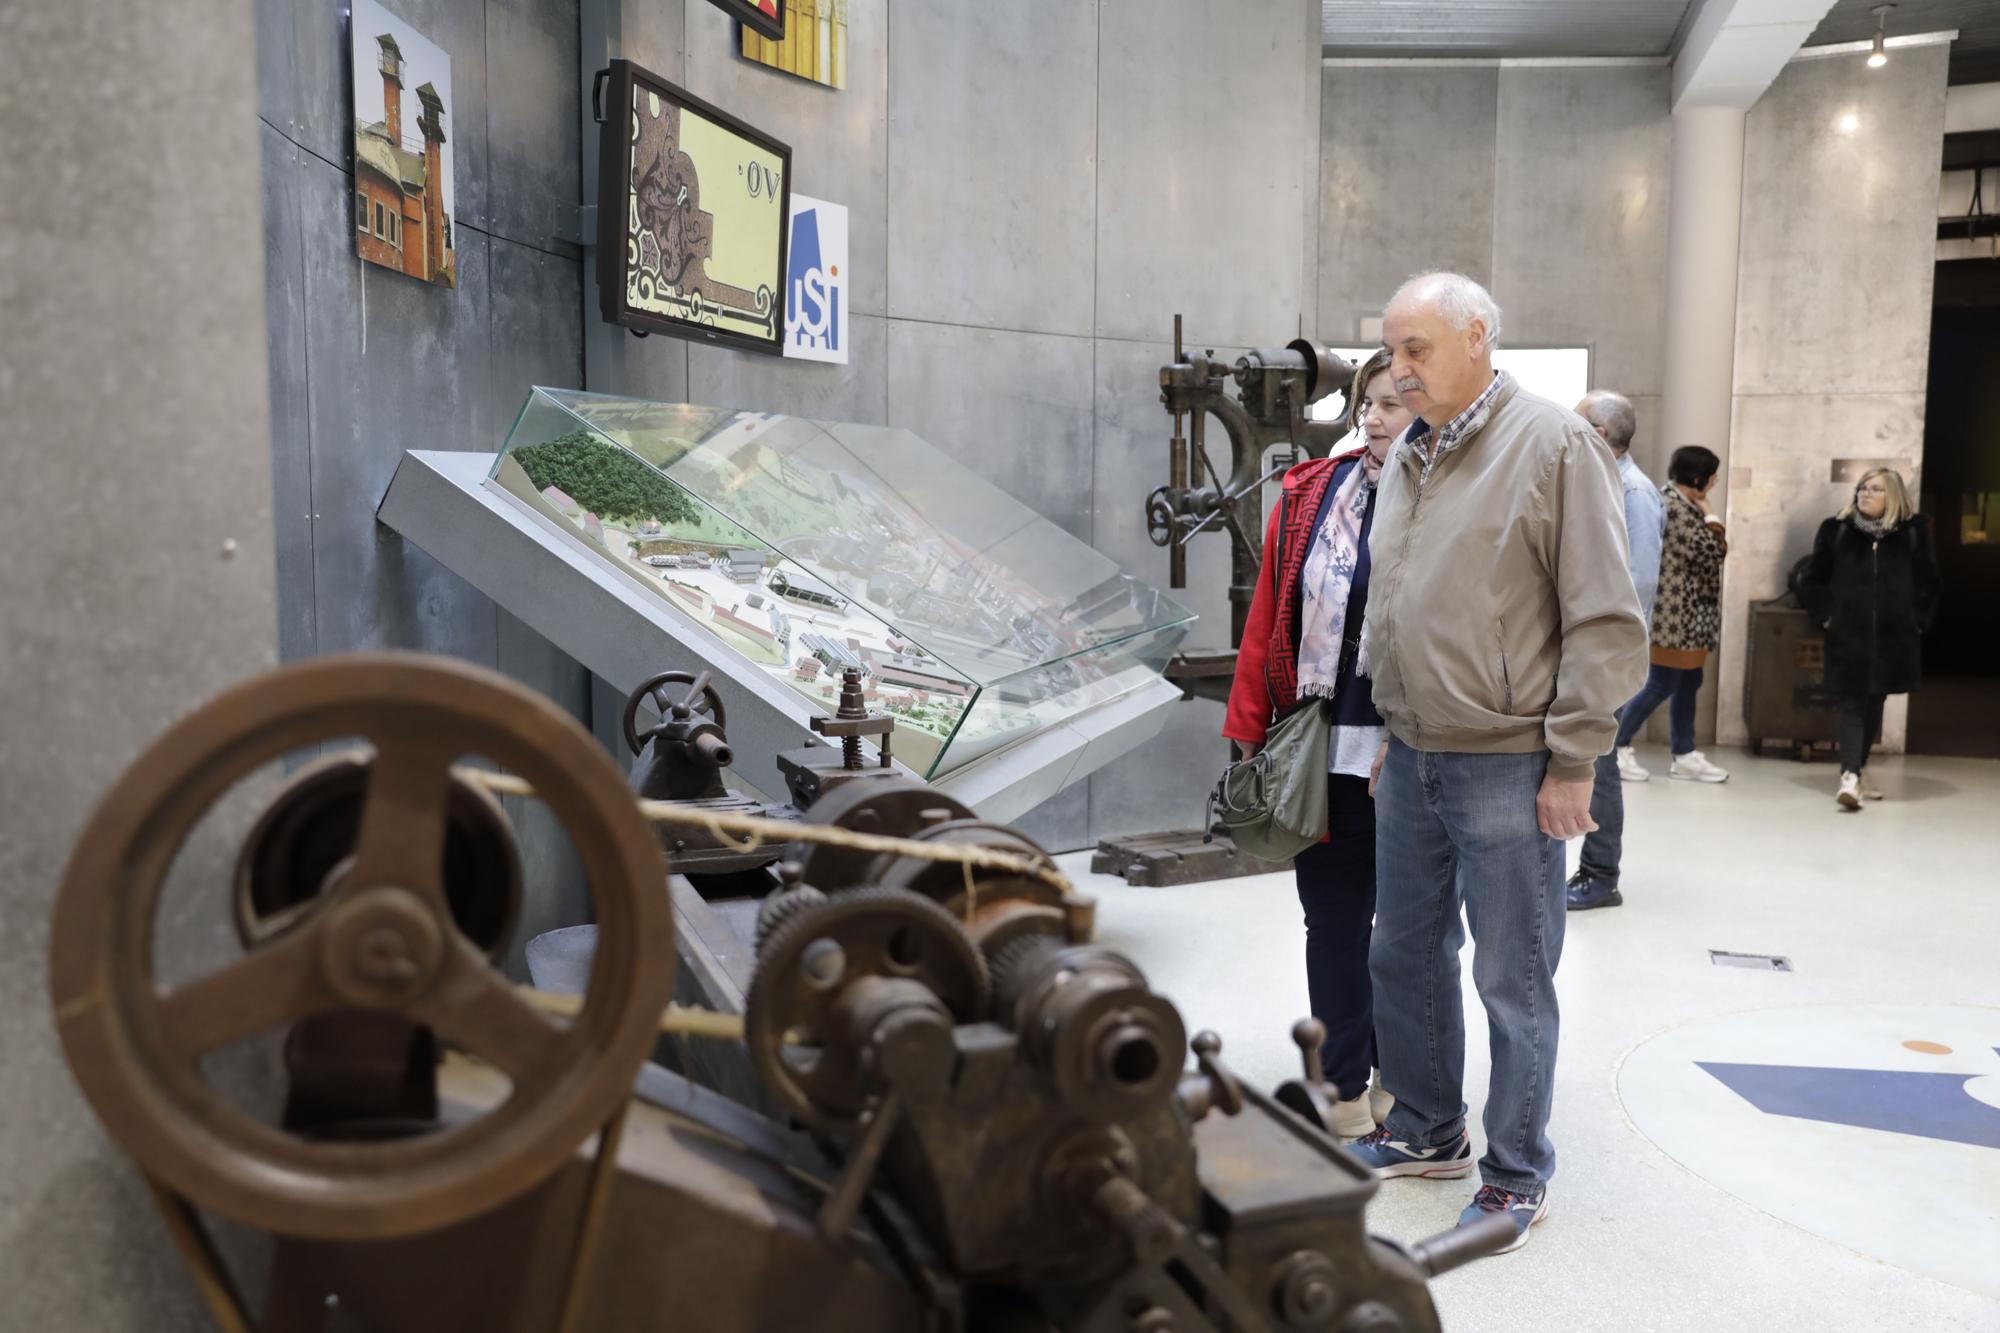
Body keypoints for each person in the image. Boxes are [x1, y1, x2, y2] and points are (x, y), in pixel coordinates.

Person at [1346, 272, 1646, 1252]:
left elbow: (1602, 614)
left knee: (1511, 977)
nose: (1399, 370)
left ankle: (1516, 1173)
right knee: (1401, 951)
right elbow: (1390, 600)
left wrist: (1572, 760)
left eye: (1415, 349)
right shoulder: (1408, 454)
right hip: (1414, 750)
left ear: (1475, 337)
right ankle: (1428, 1127)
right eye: (1392, 351)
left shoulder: (1552, 444)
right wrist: (1390, 724)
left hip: (1508, 762)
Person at [1225, 348, 1409, 1138]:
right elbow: (1269, 616)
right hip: (1318, 747)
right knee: (1331, 916)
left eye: (1392, 404)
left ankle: (1404, 1077)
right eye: (1367, 401)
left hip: (1411, 751)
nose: (1372, 415)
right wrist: (1248, 728)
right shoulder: (1311, 495)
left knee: (1410, 929)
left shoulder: (1447, 500)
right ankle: (1339, 1081)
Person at [1564, 391, 1661, 912]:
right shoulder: (1599, 484)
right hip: (1585, 654)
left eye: (1576, 423)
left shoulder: (1634, 494)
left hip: (1607, 658)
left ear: (1599, 435)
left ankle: (1601, 875)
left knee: (1599, 766)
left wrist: (1603, 655)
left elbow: (1638, 581)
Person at [1797, 468, 1939, 810]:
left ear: (1892, 495)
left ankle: (1856, 772)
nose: (1865, 493)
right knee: (1852, 701)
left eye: (1875, 489)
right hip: (1849, 634)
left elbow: (1929, 582)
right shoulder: (1836, 531)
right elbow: (1811, 579)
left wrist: (1918, 620)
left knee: (1875, 701)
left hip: (1894, 637)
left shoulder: (1914, 532)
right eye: (1862, 487)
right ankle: (1848, 775)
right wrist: (1827, 616)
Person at [1603, 446, 1731, 789]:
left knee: (1689, 682)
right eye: (1712, 475)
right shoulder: (1671, 504)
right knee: (1662, 682)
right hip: (1674, 616)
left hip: (1692, 616)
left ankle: (1684, 753)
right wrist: (1711, 515)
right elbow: (1712, 551)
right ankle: (1618, 744)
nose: (1715, 481)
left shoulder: (1683, 503)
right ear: (1697, 477)